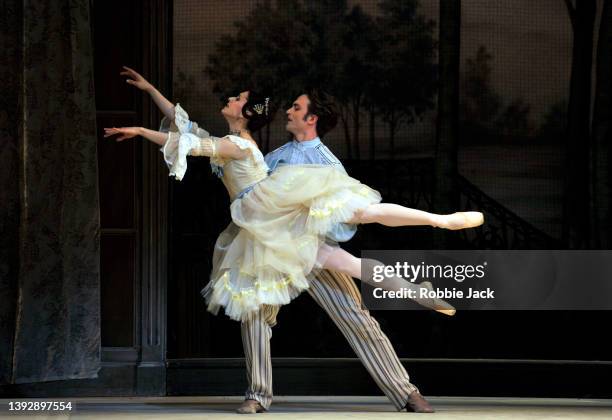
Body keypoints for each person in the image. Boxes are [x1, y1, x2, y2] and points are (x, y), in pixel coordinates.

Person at [106, 67, 485, 413]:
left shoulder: (322, 161)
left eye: (296, 107)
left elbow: (338, 209)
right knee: (253, 311)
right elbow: (190, 133)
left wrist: (141, 131)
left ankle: (405, 387)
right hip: (263, 239)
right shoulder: (272, 152)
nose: (289, 110)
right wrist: (151, 89)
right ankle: (257, 394)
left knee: (355, 311)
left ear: (312, 118)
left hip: (301, 242)